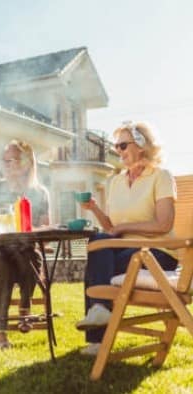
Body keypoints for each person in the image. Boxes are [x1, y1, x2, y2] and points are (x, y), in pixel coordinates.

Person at [76, 121, 178, 356]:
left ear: (141, 146)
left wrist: (125, 226)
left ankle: (99, 336)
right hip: (125, 249)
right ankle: (100, 315)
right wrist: (94, 209)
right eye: (116, 146)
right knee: (98, 241)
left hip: (158, 253)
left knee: (97, 266)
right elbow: (113, 229)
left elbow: (164, 224)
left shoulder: (161, 177)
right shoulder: (116, 182)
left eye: (122, 145)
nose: (118, 151)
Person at [0, 140, 50, 349]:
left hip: (24, 250)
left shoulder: (39, 193)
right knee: (0, 261)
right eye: (4, 161)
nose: (6, 165)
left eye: (11, 160)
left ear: (25, 163)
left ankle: (25, 305)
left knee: (28, 254)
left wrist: (28, 228)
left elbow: (46, 229)